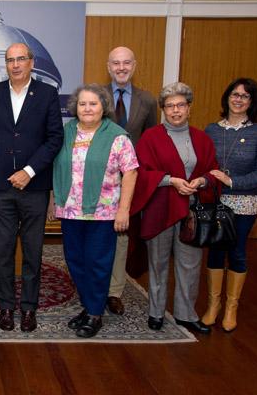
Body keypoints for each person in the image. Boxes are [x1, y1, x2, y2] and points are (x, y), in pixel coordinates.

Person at [0, 43, 63, 332]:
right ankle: (6, 307)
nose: (15, 65)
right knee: (2, 251)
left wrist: (29, 171)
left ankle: (29, 309)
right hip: (1, 186)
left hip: (35, 186)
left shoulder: (47, 94)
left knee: (33, 252)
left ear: (31, 62)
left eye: (21, 59)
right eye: (10, 60)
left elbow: (55, 139)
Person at [131, 82, 218, 334]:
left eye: (181, 105)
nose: (175, 110)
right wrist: (171, 181)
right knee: (157, 264)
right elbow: (141, 172)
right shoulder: (151, 137)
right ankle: (156, 312)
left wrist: (202, 181)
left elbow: (213, 169)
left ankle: (185, 314)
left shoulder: (201, 138)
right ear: (163, 110)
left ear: (189, 108)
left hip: (192, 211)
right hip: (160, 209)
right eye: (170, 106)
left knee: (190, 264)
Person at [52, 84, 138, 338]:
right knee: (75, 261)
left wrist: (124, 210)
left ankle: (95, 314)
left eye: (93, 104)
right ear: (75, 108)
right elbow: (56, 166)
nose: (87, 108)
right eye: (82, 104)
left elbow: (131, 172)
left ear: (103, 107)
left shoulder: (117, 136)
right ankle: (90, 306)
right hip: (70, 211)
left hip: (103, 213)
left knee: (97, 263)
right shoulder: (67, 132)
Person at [202, 78, 257, 332]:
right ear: (227, 97)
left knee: (237, 252)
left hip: (244, 203)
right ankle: (213, 305)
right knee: (216, 252)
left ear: (252, 102)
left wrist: (232, 181)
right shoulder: (211, 129)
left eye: (245, 96)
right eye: (235, 94)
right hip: (215, 202)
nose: (239, 99)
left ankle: (231, 307)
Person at [105, 46, 157, 315]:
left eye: (126, 63)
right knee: (96, 234)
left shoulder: (147, 101)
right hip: (100, 177)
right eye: (116, 63)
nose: (121, 68)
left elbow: (150, 142)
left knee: (121, 233)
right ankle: (93, 285)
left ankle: (114, 291)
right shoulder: (97, 97)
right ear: (109, 66)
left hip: (129, 178)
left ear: (134, 66)